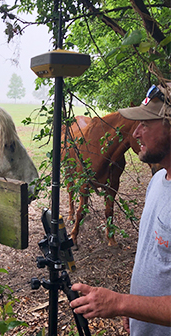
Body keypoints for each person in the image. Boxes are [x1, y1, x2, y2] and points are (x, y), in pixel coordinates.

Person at [70, 82, 171, 335]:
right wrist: (135, 308)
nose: (136, 133)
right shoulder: (159, 182)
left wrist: (119, 303)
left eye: (146, 124)